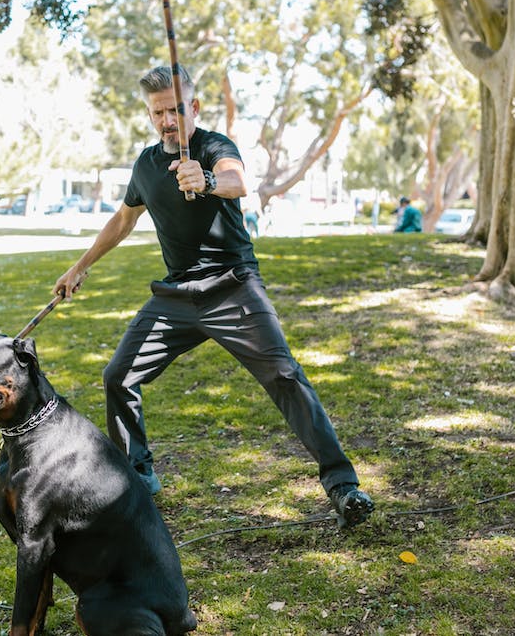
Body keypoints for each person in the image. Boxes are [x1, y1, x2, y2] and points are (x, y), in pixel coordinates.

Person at [54, 65, 374, 528]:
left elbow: (237, 181)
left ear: (194, 108)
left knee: (285, 376)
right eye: (158, 112)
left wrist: (203, 179)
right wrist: (79, 266)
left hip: (233, 286)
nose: (167, 120)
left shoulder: (214, 147)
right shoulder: (145, 164)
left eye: (176, 110)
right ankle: (138, 481)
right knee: (118, 376)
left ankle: (343, 487)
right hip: (177, 295)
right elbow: (123, 222)